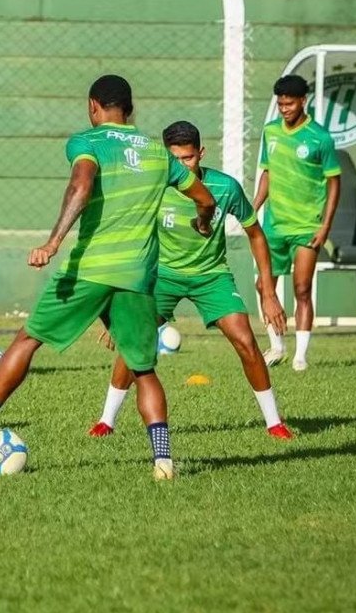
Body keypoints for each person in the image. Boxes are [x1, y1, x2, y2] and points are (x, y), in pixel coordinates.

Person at [0, 75, 216, 481]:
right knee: (143, 371)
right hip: (138, 277)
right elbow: (206, 199)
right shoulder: (161, 156)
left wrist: (53, 241)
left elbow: (81, 184)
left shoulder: (86, 142)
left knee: (27, 339)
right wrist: (202, 220)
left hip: (90, 269)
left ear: (94, 106)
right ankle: (163, 461)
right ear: (131, 107)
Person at [88, 120, 293, 440]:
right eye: (175, 159)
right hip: (162, 277)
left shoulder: (225, 188)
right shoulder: (151, 187)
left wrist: (268, 291)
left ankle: (274, 423)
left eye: (188, 158)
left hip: (212, 277)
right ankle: (106, 421)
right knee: (133, 341)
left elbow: (255, 233)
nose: (182, 166)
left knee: (246, 341)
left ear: (201, 153)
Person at [253, 74, 341, 371]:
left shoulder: (320, 137)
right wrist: (253, 208)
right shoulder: (271, 132)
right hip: (274, 225)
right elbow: (267, 173)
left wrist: (325, 226)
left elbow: (333, 183)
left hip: (306, 226)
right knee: (263, 285)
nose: (285, 109)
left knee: (302, 288)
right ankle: (277, 346)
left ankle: (301, 355)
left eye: (289, 103)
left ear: (303, 101)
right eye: (280, 104)